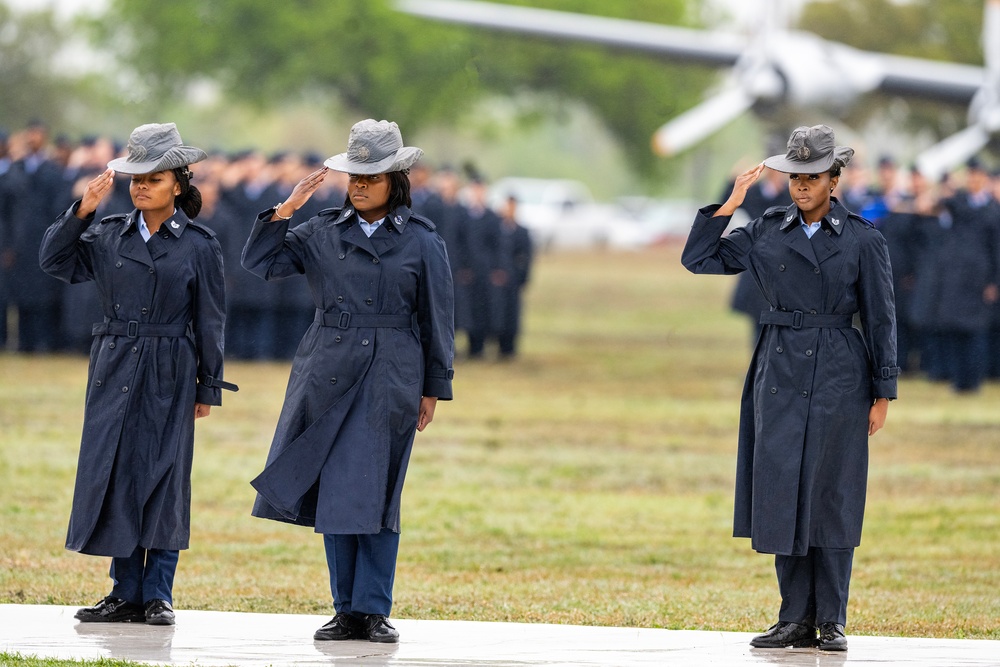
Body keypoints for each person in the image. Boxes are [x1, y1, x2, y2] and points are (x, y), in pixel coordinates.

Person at [681, 125, 898, 652]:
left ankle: (832, 620)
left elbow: (881, 316)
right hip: (777, 371)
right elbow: (700, 259)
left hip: (839, 373)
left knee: (832, 493)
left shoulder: (864, 238)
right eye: (795, 176)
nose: (801, 186)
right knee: (782, 492)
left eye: (812, 177)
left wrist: (882, 390)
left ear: (834, 178)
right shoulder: (766, 229)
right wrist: (733, 200)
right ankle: (793, 618)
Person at [242, 119, 455, 644]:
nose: (358, 185)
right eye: (352, 175)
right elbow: (260, 262)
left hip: (392, 374)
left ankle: (374, 609)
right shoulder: (318, 230)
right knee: (334, 493)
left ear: (395, 180)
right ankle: (345, 611)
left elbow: (437, 317)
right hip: (328, 371)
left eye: (371, 176)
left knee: (379, 493)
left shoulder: (422, 241)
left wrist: (434, 386)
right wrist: (286, 209)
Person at [38, 122, 237, 626]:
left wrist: (208, 385)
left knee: (164, 477)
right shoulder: (106, 233)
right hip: (114, 364)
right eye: (135, 178)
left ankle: (158, 594)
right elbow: (55, 260)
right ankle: (124, 591)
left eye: (153, 177)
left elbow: (210, 318)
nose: (141, 186)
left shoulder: (199, 243)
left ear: (178, 183)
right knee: (117, 474)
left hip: (172, 365)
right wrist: (82, 209)